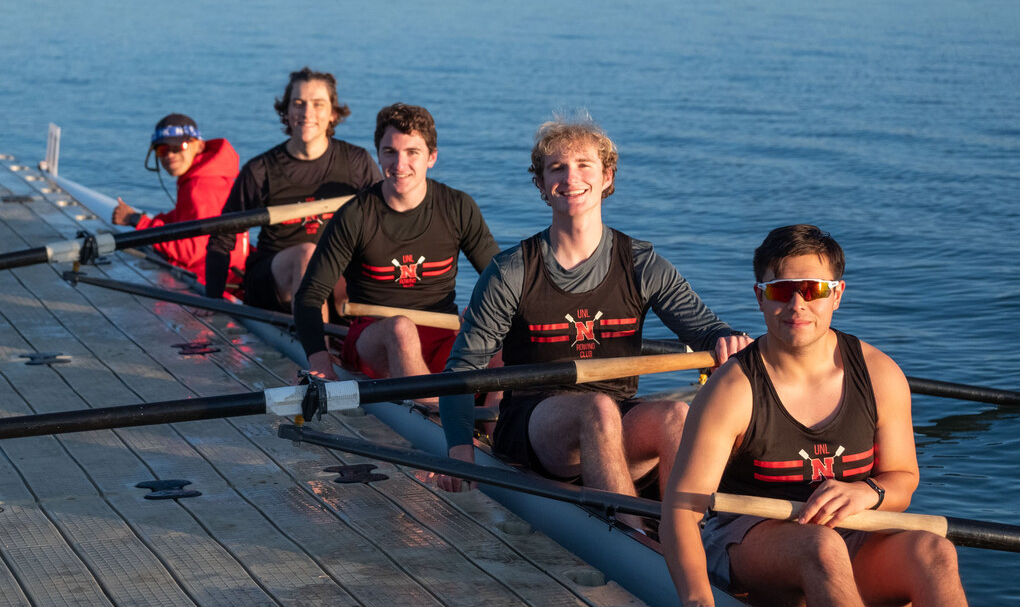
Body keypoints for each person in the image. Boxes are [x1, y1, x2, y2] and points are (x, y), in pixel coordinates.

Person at [661, 225, 975, 607]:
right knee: (821, 547)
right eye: (782, 290)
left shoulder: (880, 374)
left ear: (837, 294)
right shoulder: (732, 390)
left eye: (813, 289)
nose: (797, 304)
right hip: (749, 541)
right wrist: (698, 601)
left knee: (935, 550)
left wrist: (869, 493)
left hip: (853, 535)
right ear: (760, 296)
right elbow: (681, 509)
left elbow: (903, 480)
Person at [437, 114, 752, 506]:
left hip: (618, 413)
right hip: (535, 424)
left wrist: (727, 340)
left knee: (674, 415)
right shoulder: (511, 271)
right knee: (597, 410)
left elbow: (705, 329)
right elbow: (463, 370)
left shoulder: (640, 263)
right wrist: (459, 449)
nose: (571, 178)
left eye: (584, 165)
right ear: (542, 185)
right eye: (557, 168)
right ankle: (635, 538)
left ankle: (690, 536)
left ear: (607, 177)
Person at [294, 103, 499, 381]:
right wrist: (320, 361)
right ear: (378, 155)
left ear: (432, 157)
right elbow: (309, 296)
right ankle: (432, 412)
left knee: (504, 337)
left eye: (412, 152)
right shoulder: (355, 215)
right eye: (390, 152)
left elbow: (500, 282)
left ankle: (494, 420)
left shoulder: (458, 207)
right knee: (401, 329)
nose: (399, 165)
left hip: (443, 333)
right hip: (373, 336)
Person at [205, 67, 382, 311]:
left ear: (333, 113)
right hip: (273, 281)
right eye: (298, 103)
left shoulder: (357, 162)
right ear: (286, 112)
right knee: (308, 256)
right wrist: (212, 303)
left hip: (334, 275)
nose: (307, 112)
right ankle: (316, 347)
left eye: (318, 104)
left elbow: (386, 225)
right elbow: (222, 236)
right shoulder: (260, 170)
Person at [112, 114, 248, 285]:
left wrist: (137, 221)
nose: (169, 155)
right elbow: (187, 218)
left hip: (211, 283)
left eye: (178, 147)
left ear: (198, 146)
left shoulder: (201, 185)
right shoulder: (209, 176)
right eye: (162, 150)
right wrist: (152, 221)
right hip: (226, 275)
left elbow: (191, 251)